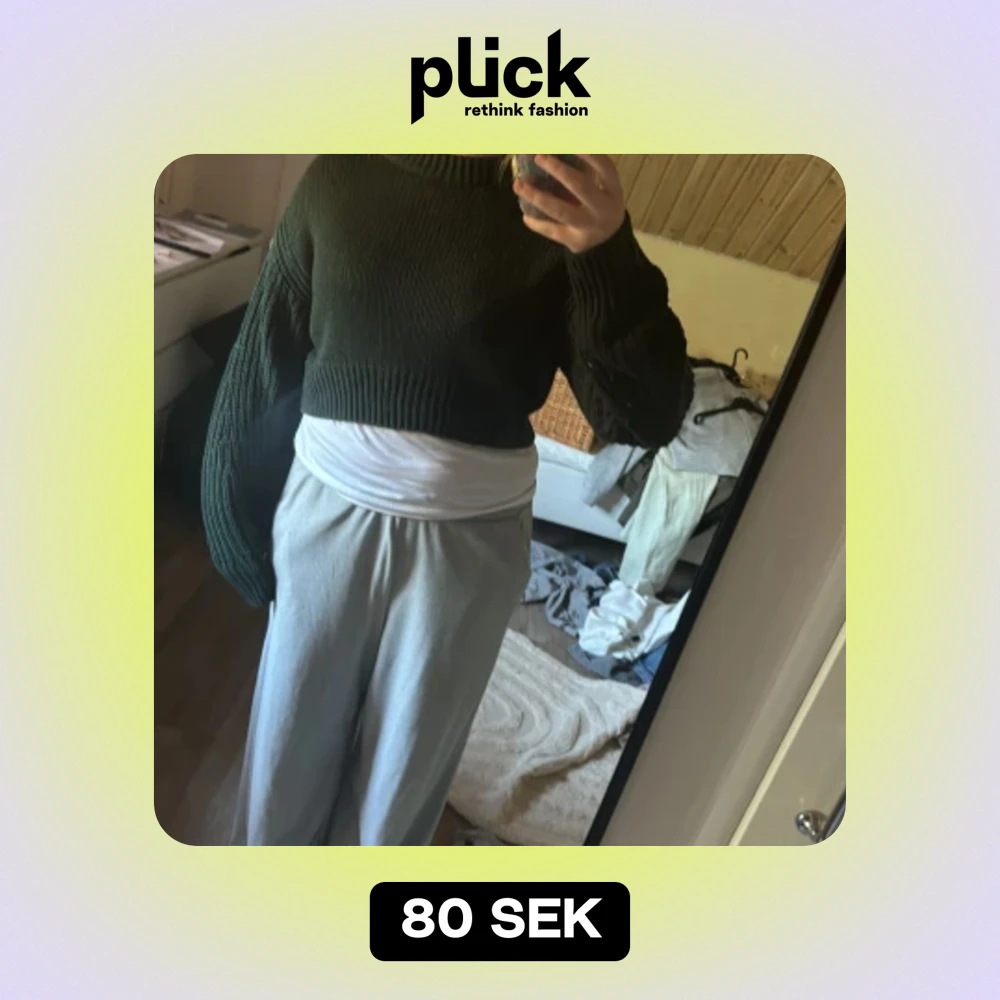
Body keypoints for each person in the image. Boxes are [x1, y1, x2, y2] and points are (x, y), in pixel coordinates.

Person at [201, 154, 693, 845]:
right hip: (324, 519)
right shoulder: (338, 177)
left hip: (471, 546)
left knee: (400, 784)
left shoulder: (558, 209)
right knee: (284, 765)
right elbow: (262, 357)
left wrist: (607, 253)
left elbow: (644, 418)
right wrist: (230, 518)